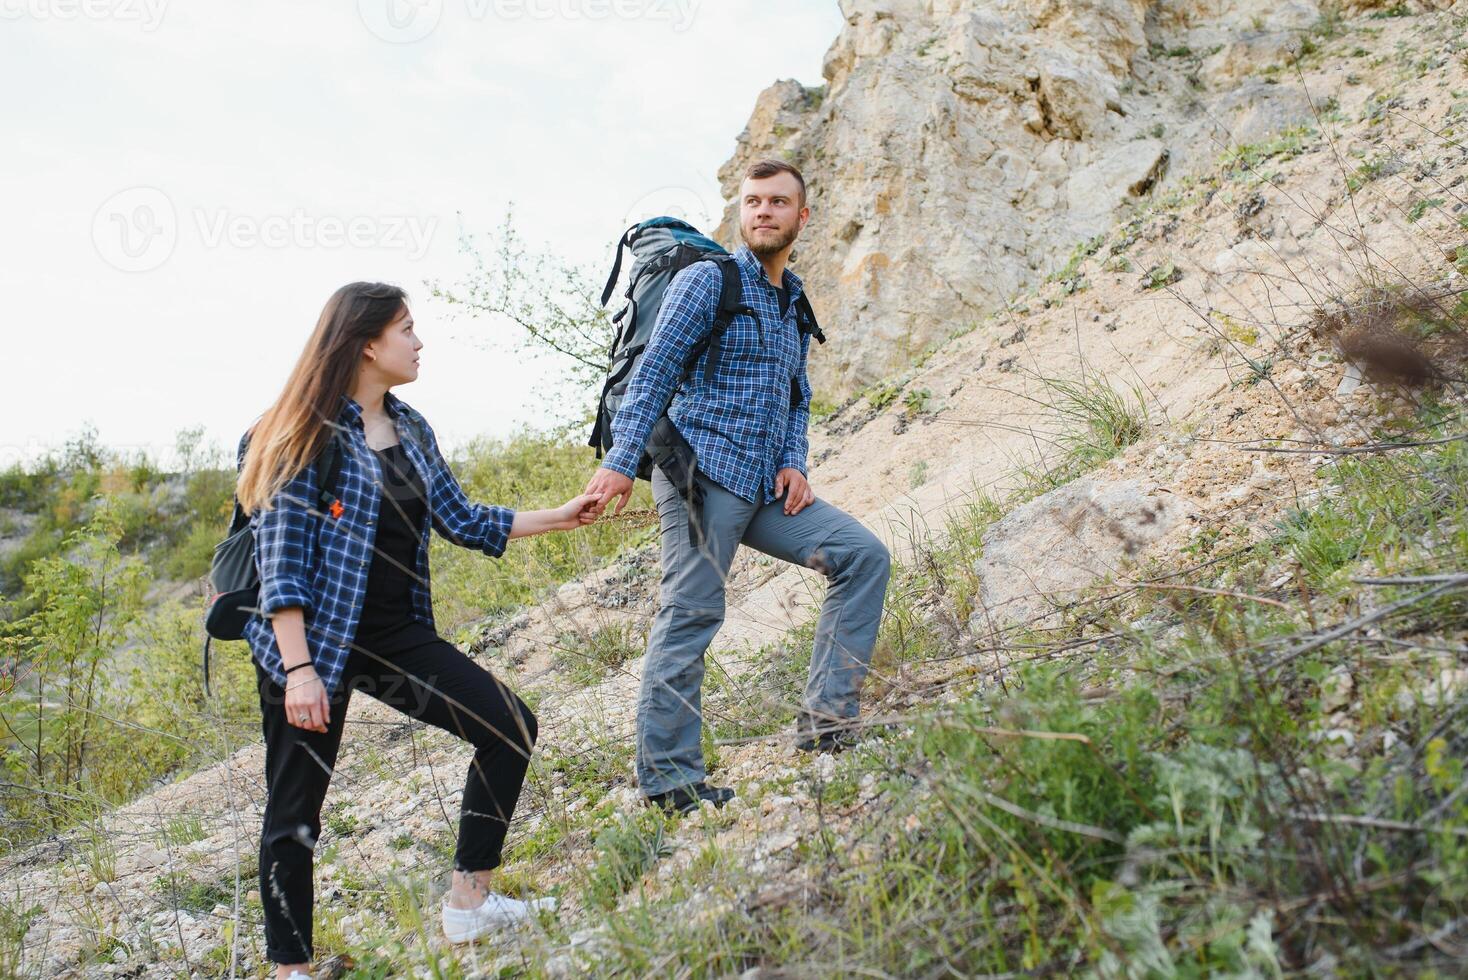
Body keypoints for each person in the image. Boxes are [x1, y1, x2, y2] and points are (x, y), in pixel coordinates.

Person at [234, 281, 597, 980]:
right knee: (295, 811)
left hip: (396, 635)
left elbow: (461, 518)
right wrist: (300, 671)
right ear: (368, 342)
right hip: (312, 642)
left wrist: (561, 513)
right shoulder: (298, 430)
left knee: (508, 724)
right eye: (408, 329)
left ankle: (470, 904)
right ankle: (290, 970)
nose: (419, 342)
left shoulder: (411, 427)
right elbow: (280, 561)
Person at [584, 159, 892, 814]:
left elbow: (797, 398)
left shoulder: (792, 300)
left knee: (861, 557)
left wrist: (794, 462)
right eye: (752, 201)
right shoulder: (707, 281)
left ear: (802, 218)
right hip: (700, 474)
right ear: (740, 213)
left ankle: (827, 723)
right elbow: (656, 374)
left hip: (763, 484)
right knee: (692, 614)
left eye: (778, 202)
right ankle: (670, 784)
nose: (763, 212)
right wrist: (619, 461)